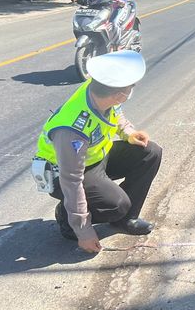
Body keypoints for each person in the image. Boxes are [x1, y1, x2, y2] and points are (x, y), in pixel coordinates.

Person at [34, 51, 162, 253]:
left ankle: (125, 220)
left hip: (95, 158)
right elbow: (71, 180)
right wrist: (83, 231)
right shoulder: (71, 130)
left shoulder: (99, 91)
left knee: (150, 152)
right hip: (64, 175)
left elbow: (115, 113)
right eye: (130, 87)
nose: (131, 90)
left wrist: (128, 132)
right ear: (119, 94)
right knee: (117, 204)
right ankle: (68, 219)